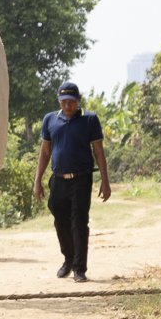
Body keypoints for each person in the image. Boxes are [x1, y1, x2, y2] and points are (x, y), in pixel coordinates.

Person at [33, 82, 111, 281]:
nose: (68, 106)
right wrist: (37, 180)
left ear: (78, 101)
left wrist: (105, 180)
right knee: (60, 220)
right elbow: (45, 152)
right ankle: (68, 258)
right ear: (59, 101)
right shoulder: (50, 120)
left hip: (81, 179)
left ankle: (79, 268)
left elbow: (98, 151)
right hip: (58, 180)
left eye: (72, 102)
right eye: (64, 102)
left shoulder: (89, 120)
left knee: (79, 222)